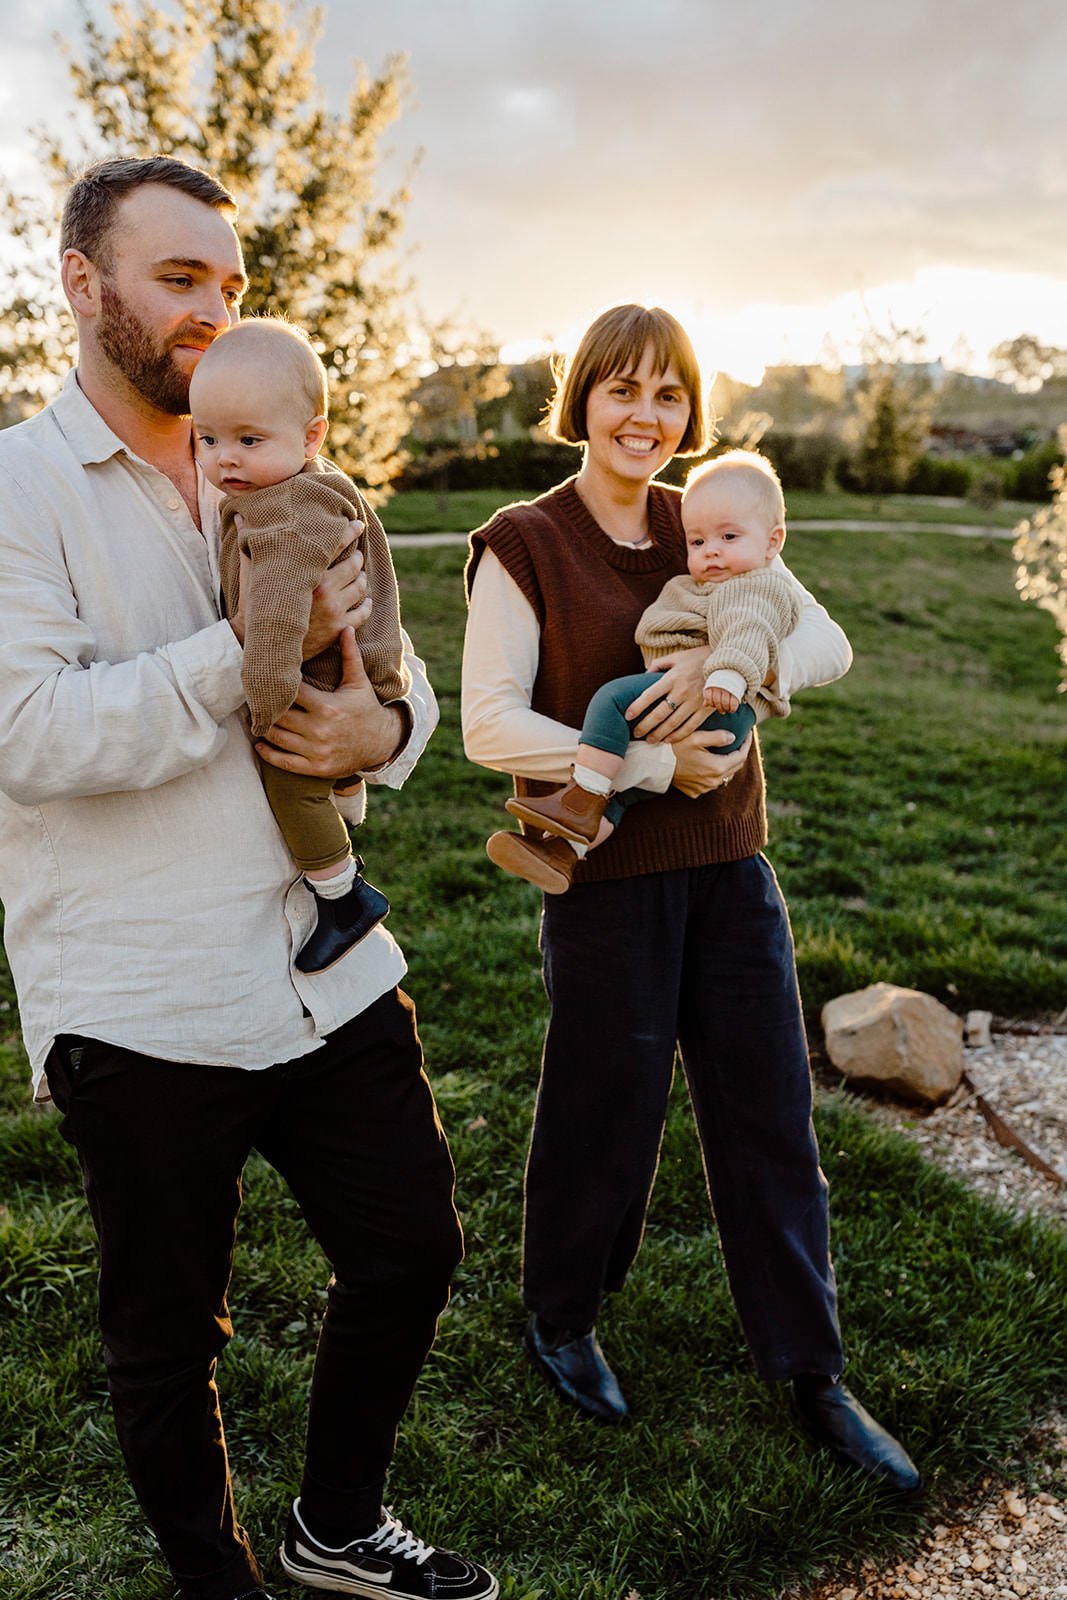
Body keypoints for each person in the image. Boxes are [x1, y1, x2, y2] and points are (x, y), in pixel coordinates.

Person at [0, 156, 497, 1600]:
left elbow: (387, 677)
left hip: (317, 957)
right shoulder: (20, 492)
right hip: (140, 987)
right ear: (83, 286)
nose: (215, 310)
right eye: (177, 280)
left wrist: (383, 730)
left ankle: (335, 1524)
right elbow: (30, 736)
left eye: (228, 282)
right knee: (169, 1335)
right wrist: (245, 656)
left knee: (409, 1249)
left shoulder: (278, 449)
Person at [461, 302, 921, 1493]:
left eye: (667, 395)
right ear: (582, 399)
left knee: (768, 1110)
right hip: (605, 871)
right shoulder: (522, 540)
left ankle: (809, 1370)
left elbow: (823, 644)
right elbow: (487, 724)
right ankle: (563, 1315)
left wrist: (740, 664)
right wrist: (661, 758)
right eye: (621, 390)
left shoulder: (709, 518)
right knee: (601, 1109)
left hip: (729, 864)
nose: (645, 416)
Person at [190, 316, 407, 973]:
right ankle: (342, 794)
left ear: (311, 437)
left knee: (286, 778)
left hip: (322, 672)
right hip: (351, 667)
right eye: (207, 439)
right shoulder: (293, 486)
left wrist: (263, 703)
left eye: (248, 439)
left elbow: (277, 622)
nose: (224, 458)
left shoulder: (286, 510)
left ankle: (341, 897)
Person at [496, 449, 801, 879]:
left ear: (773, 542)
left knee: (613, 702)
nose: (711, 552)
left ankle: (581, 795)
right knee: (623, 797)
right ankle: (565, 851)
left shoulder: (751, 586)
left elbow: (748, 628)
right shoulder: (721, 575)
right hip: (710, 716)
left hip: (717, 704)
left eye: (728, 539)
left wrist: (726, 672)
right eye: (697, 542)